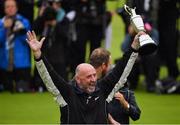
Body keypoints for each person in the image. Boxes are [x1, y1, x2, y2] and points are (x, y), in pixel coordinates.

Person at [26, 30, 144, 123]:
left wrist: (134, 48)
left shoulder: (103, 89)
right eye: (88, 77)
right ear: (78, 79)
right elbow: (49, 76)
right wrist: (38, 54)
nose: (93, 79)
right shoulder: (67, 93)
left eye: (94, 75)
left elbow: (121, 70)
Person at [89, 48, 141, 124]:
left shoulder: (123, 89)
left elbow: (136, 115)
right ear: (104, 65)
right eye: (109, 64)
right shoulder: (89, 88)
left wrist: (125, 104)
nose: (111, 67)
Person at [0, 0, 31, 92]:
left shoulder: (24, 21)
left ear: (17, 8)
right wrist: (3, 29)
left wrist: (19, 29)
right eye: (8, 6)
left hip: (22, 64)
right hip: (4, 64)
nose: (10, 9)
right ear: (4, 9)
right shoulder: (1, 23)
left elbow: (29, 41)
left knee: (22, 92)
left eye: (12, 6)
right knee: (6, 91)